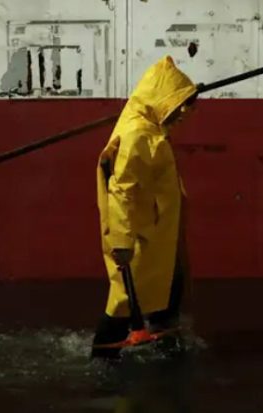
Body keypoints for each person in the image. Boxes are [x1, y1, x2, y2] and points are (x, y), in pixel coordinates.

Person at [91, 56, 197, 359]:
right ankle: (103, 358)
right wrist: (121, 242)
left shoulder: (150, 127)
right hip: (141, 235)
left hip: (157, 231)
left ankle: (165, 341)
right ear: (161, 99)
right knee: (125, 299)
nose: (185, 112)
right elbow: (121, 190)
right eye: (180, 104)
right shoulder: (139, 134)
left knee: (166, 287)